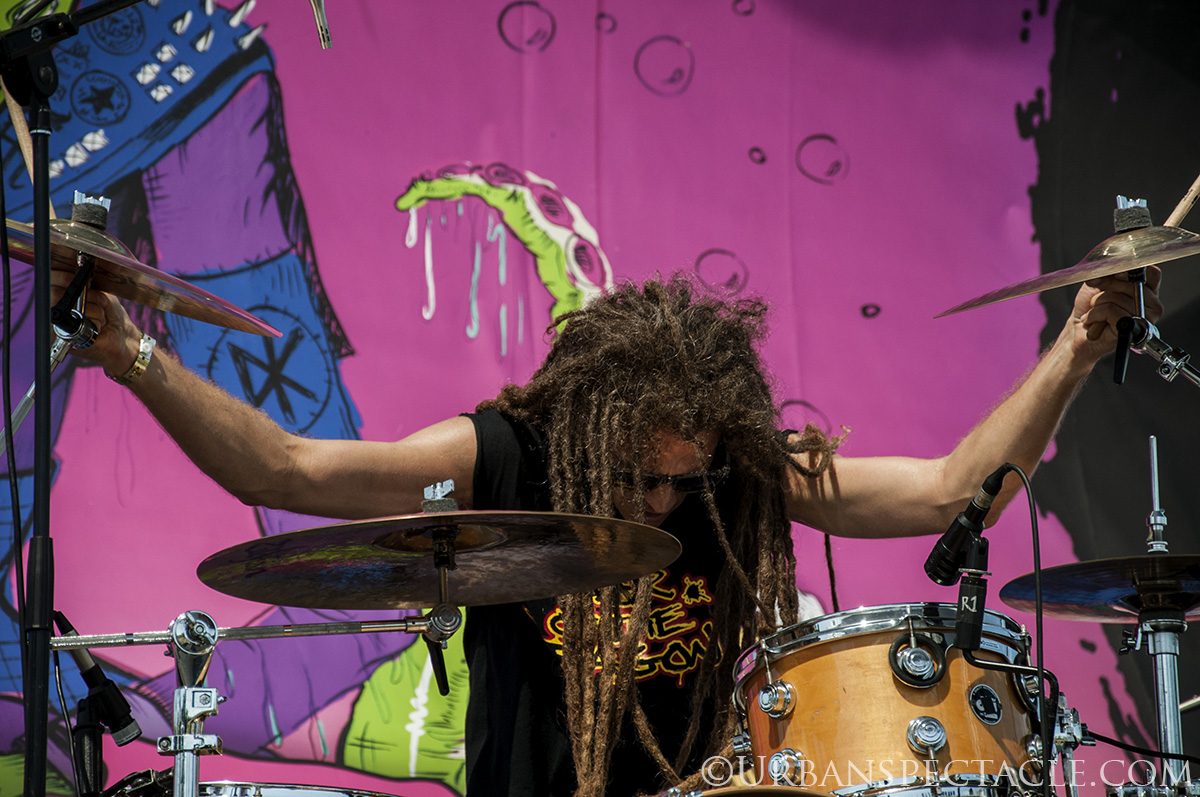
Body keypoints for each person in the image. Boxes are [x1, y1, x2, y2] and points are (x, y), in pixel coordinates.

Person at [54, 267, 1162, 797]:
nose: (666, 500)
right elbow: (285, 469)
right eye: (640, 477)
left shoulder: (738, 470)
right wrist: (133, 354)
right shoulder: (501, 452)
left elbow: (951, 492)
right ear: (585, 432)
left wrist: (1076, 344)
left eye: (689, 477)